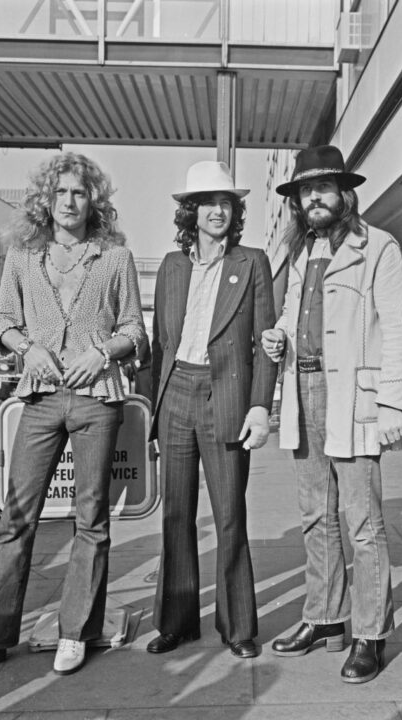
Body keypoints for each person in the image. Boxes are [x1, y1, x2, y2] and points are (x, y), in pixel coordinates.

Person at [0, 152, 147, 679]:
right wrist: (26, 347)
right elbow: (2, 318)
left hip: (99, 399)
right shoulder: (23, 257)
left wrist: (104, 352)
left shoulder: (115, 257)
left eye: (79, 193)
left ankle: (76, 631)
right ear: (45, 203)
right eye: (61, 194)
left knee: (90, 519)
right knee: (16, 517)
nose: (70, 202)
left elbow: (136, 330)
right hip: (38, 398)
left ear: (92, 200)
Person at [261, 145, 402, 683]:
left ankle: (370, 633)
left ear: (345, 192)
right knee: (314, 517)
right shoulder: (303, 251)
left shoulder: (379, 248)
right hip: (304, 390)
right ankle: (324, 617)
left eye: (323, 188)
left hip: (354, 396)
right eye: (305, 190)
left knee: (364, 524)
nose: (313, 198)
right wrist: (279, 335)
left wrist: (393, 401)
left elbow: (398, 329)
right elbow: (291, 311)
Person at [147, 161, 277, 660]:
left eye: (225, 202)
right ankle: (176, 622)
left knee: (229, 516)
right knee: (177, 514)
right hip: (176, 392)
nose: (217, 210)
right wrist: (153, 413)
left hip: (226, 396)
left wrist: (260, 406)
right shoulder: (171, 266)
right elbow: (160, 345)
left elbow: (264, 342)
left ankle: (238, 627)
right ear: (190, 212)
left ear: (235, 210)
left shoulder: (252, 262)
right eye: (207, 202)